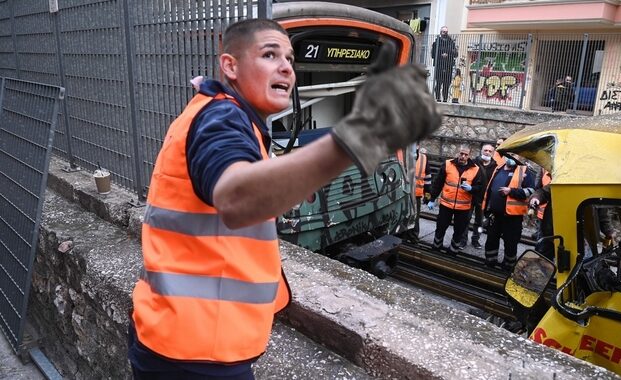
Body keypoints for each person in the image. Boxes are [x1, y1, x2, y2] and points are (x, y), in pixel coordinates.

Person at [128, 18, 441, 379]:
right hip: (195, 355)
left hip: (181, 336)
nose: (285, 67)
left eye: (290, 59)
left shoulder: (225, 116)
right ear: (230, 65)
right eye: (269, 54)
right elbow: (237, 198)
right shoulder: (222, 118)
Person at [427, 145, 482, 255]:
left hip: (463, 207)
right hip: (446, 204)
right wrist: (432, 198)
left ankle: (453, 251)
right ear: (458, 153)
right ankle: (436, 247)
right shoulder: (448, 164)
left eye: (466, 154)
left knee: (459, 231)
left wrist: (471, 189)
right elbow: (438, 182)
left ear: (469, 155)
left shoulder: (476, 169)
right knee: (441, 227)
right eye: (461, 153)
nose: (463, 156)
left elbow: (480, 188)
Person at [483, 156, 535, 269]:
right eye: (510, 155)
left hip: (512, 217)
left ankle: (508, 266)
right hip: (495, 215)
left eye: (515, 155)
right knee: (491, 240)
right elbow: (490, 189)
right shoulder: (498, 169)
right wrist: (487, 209)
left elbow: (531, 190)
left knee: (510, 244)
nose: (512, 157)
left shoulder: (524, 171)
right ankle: (490, 263)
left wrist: (511, 191)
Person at [460, 143, 497, 249]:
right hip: (470, 195)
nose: (487, 152)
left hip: (483, 199)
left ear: (493, 153)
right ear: (481, 151)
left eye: (490, 151)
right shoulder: (473, 163)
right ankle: (463, 240)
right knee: (465, 220)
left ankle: (476, 239)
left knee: (479, 222)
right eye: (485, 150)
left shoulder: (495, 166)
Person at [406, 147, 431, 243]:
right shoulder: (402, 155)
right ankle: (404, 235)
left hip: (416, 194)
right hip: (403, 193)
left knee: (415, 217)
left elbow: (428, 179)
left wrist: (428, 196)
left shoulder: (424, 158)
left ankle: (413, 237)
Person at [431, 26, 458, 103]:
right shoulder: (436, 43)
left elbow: (456, 54)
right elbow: (433, 55)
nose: (445, 33)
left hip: (448, 66)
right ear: (440, 32)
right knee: (438, 83)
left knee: (447, 84)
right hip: (439, 66)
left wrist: (448, 54)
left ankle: (445, 99)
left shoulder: (451, 43)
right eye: (443, 32)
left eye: (446, 32)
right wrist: (441, 55)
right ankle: (438, 98)